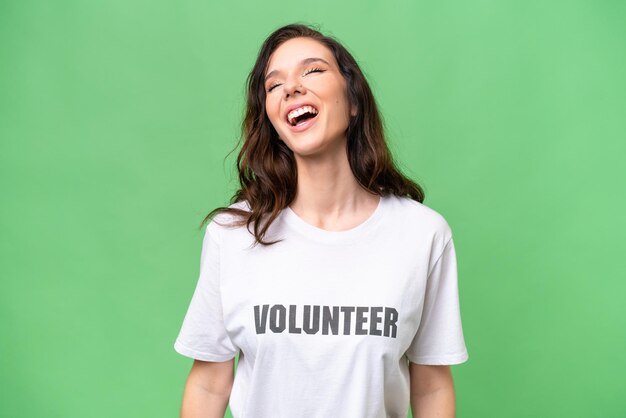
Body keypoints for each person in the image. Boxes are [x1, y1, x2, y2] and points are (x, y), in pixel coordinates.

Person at [174, 23, 469, 418]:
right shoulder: (232, 235)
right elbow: (209, 384)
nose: (291, 88)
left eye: (312, 71)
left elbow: (431, 386)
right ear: (273, 120)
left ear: (353, 101)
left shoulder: (422, 234)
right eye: (273, 85)